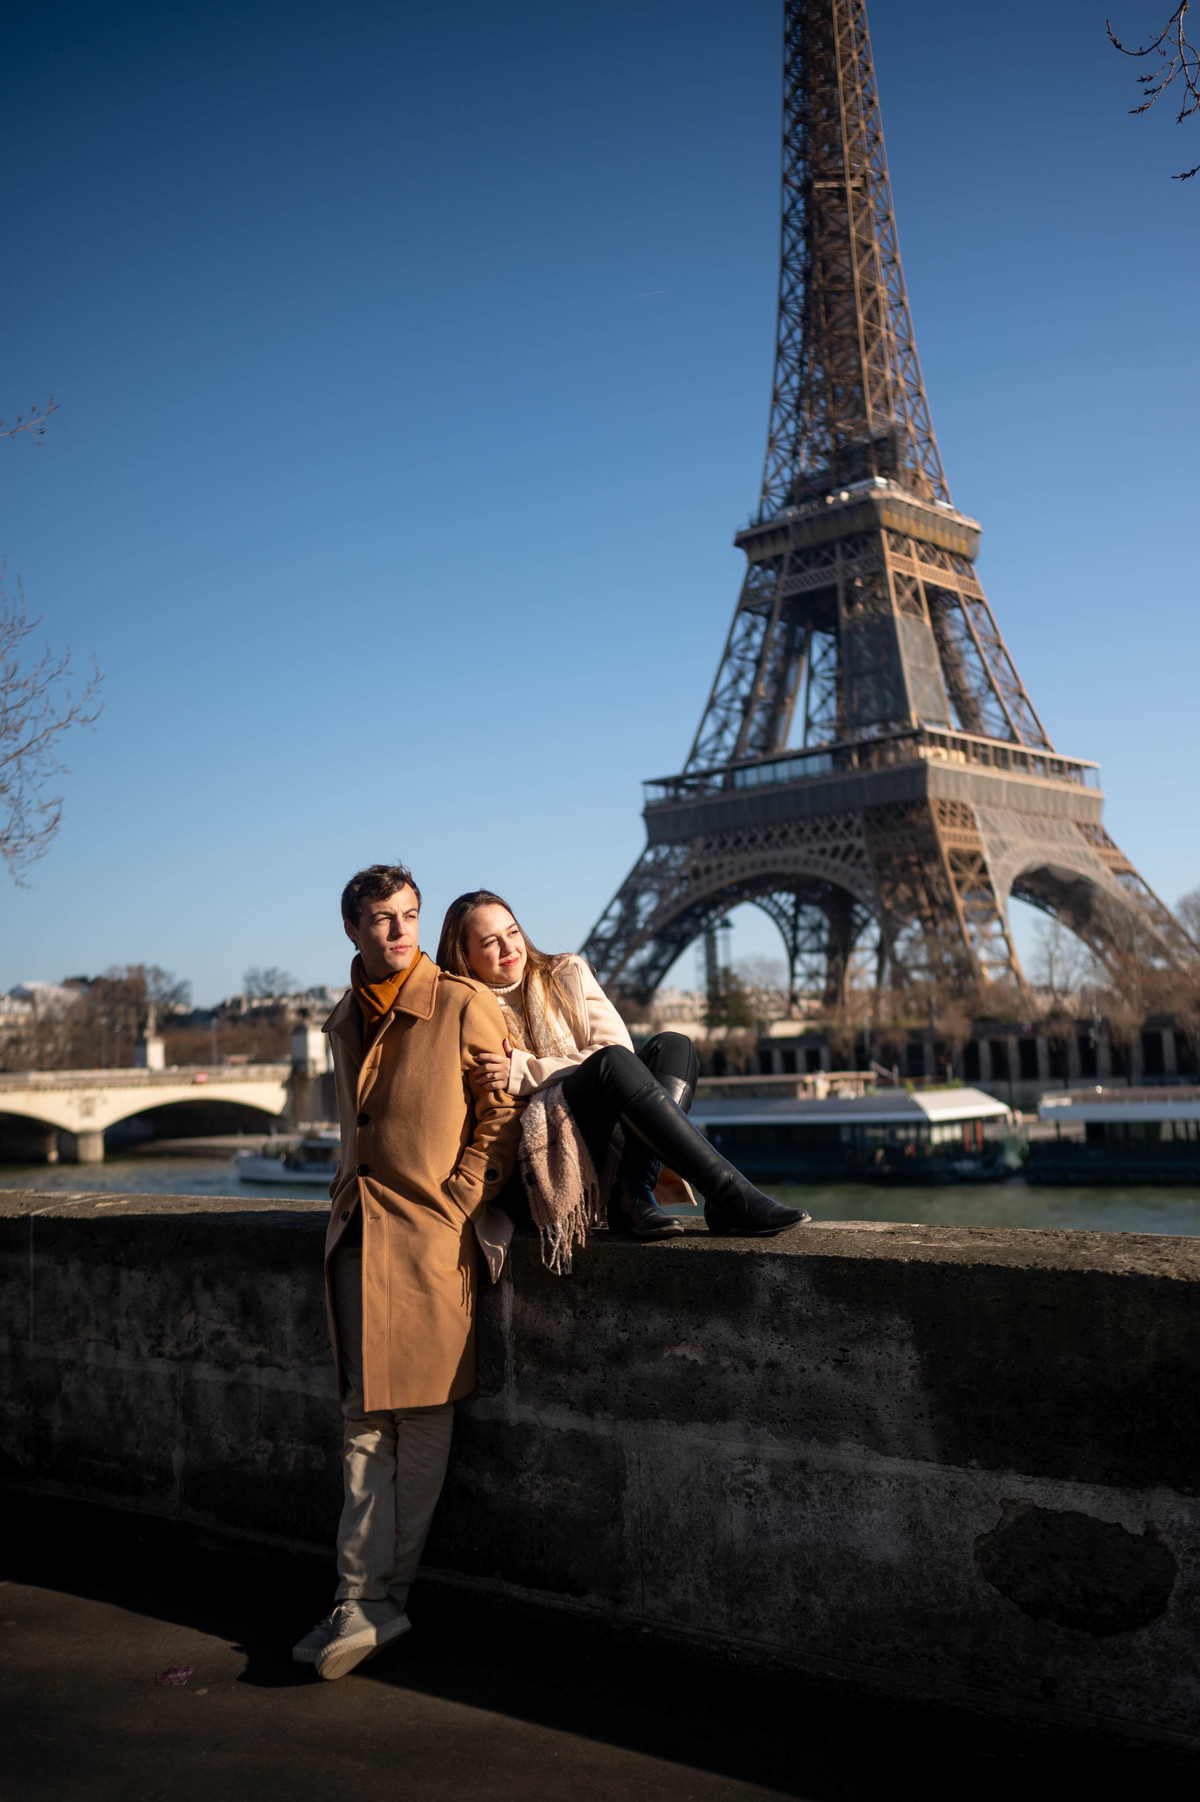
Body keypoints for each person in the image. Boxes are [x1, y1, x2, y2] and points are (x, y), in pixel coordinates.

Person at [293, 863, 523, 1681]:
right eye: (383, 919)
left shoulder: (462, 1002)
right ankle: (360, 1600)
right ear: (353, 929)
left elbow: (500, 1111)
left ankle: (376, 1599)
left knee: (419, 1419)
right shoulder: (343, 1017)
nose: (400, 931)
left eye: (411, 916)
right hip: (357, 1237)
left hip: (427, 1241)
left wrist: (457, 1200)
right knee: (363, 1422)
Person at [435, 890, 809, 1257]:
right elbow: (604, 1063)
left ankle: (635, 1190)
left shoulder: (564, 973)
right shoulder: (465, 1009)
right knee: (609, 1063)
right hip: (533, 1168)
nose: (509, 947)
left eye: (512, 932)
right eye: (490, 941)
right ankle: (727, 1195)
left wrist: (528, 1071)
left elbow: (617, 1050)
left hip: (598, 1136)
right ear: (464, 956)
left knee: (674, 1045)